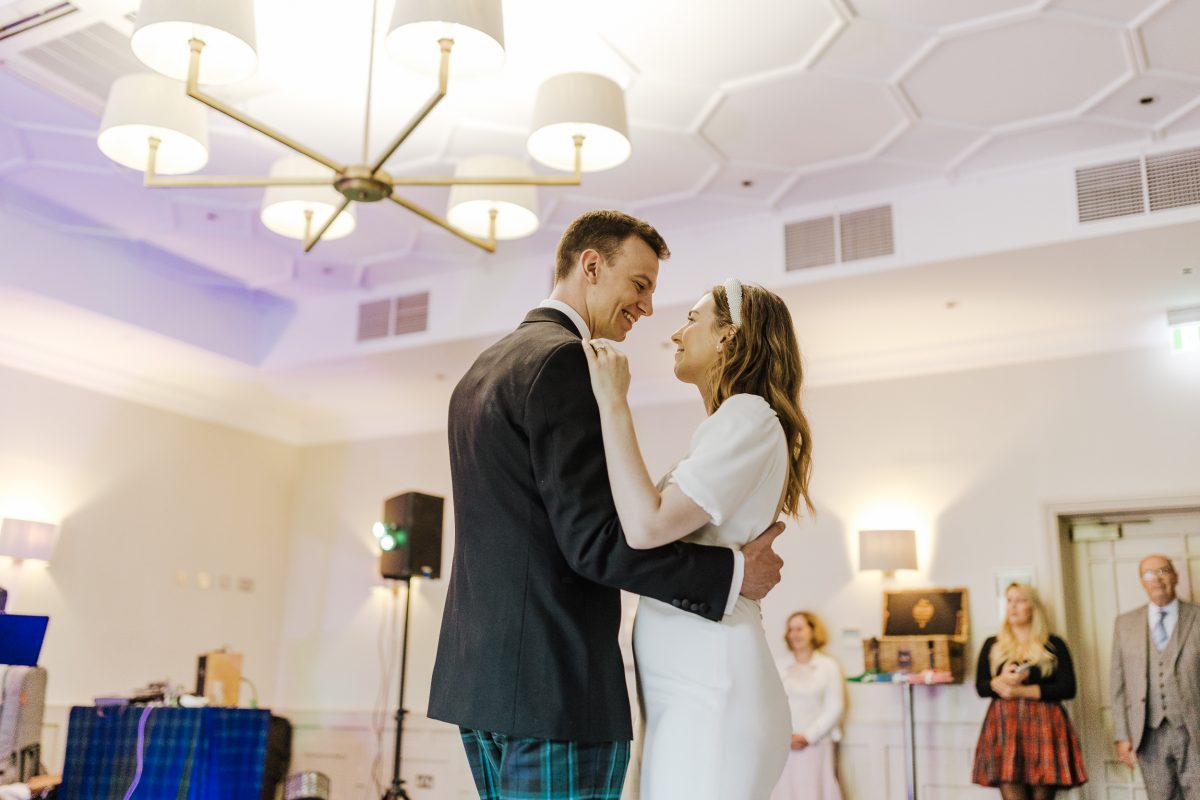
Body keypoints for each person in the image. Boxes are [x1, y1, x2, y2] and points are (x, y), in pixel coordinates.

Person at [427, 210, 786, 800]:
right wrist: (730, 575)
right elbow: (593, 543)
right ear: (590, 266)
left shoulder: (482, 368)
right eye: (640, 284)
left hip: (479, 684)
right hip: (554, 685)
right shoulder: (567, 360)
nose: (648, 308)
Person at [583, 279, 814, 799]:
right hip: (691, 686)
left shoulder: (748, 415)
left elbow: (647, 527)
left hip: (712, 685)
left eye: (691, 319)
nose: (676, 333)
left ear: (729, 336)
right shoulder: (730, 424)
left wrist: (614, 402)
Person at [971, 582, 1087, 799]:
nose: (1013, 606)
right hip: (1005, 727)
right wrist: (1000, 681)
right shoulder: (992, 644)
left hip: (1045, 724)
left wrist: (1022, 688)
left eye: (1020, 600)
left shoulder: (1053, 644)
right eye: (1009, 600)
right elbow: (981, 687)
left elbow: (1068, 688)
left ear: (1033, 607)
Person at [1111, 554, 1200, 799]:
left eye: (1163, 571)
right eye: (1149, 574)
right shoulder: (1124, 624)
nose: (1157, 579)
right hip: (1147, 734)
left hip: (1194, 730)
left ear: (1175, 577)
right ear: (1142, 581)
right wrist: (1122, 735)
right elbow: (1118, 685)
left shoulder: (1197, 616)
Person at [771, 611, 845, 800]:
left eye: (799, 629)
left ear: (812, 631)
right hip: (784, 745)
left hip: (817, 743)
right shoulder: (778, 666)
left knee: (815, 791)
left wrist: (809, 736)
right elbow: (772, 705)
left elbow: (835, 706)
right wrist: (784, 736)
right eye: (791, 630)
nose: (794, 634)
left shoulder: (828, 666)